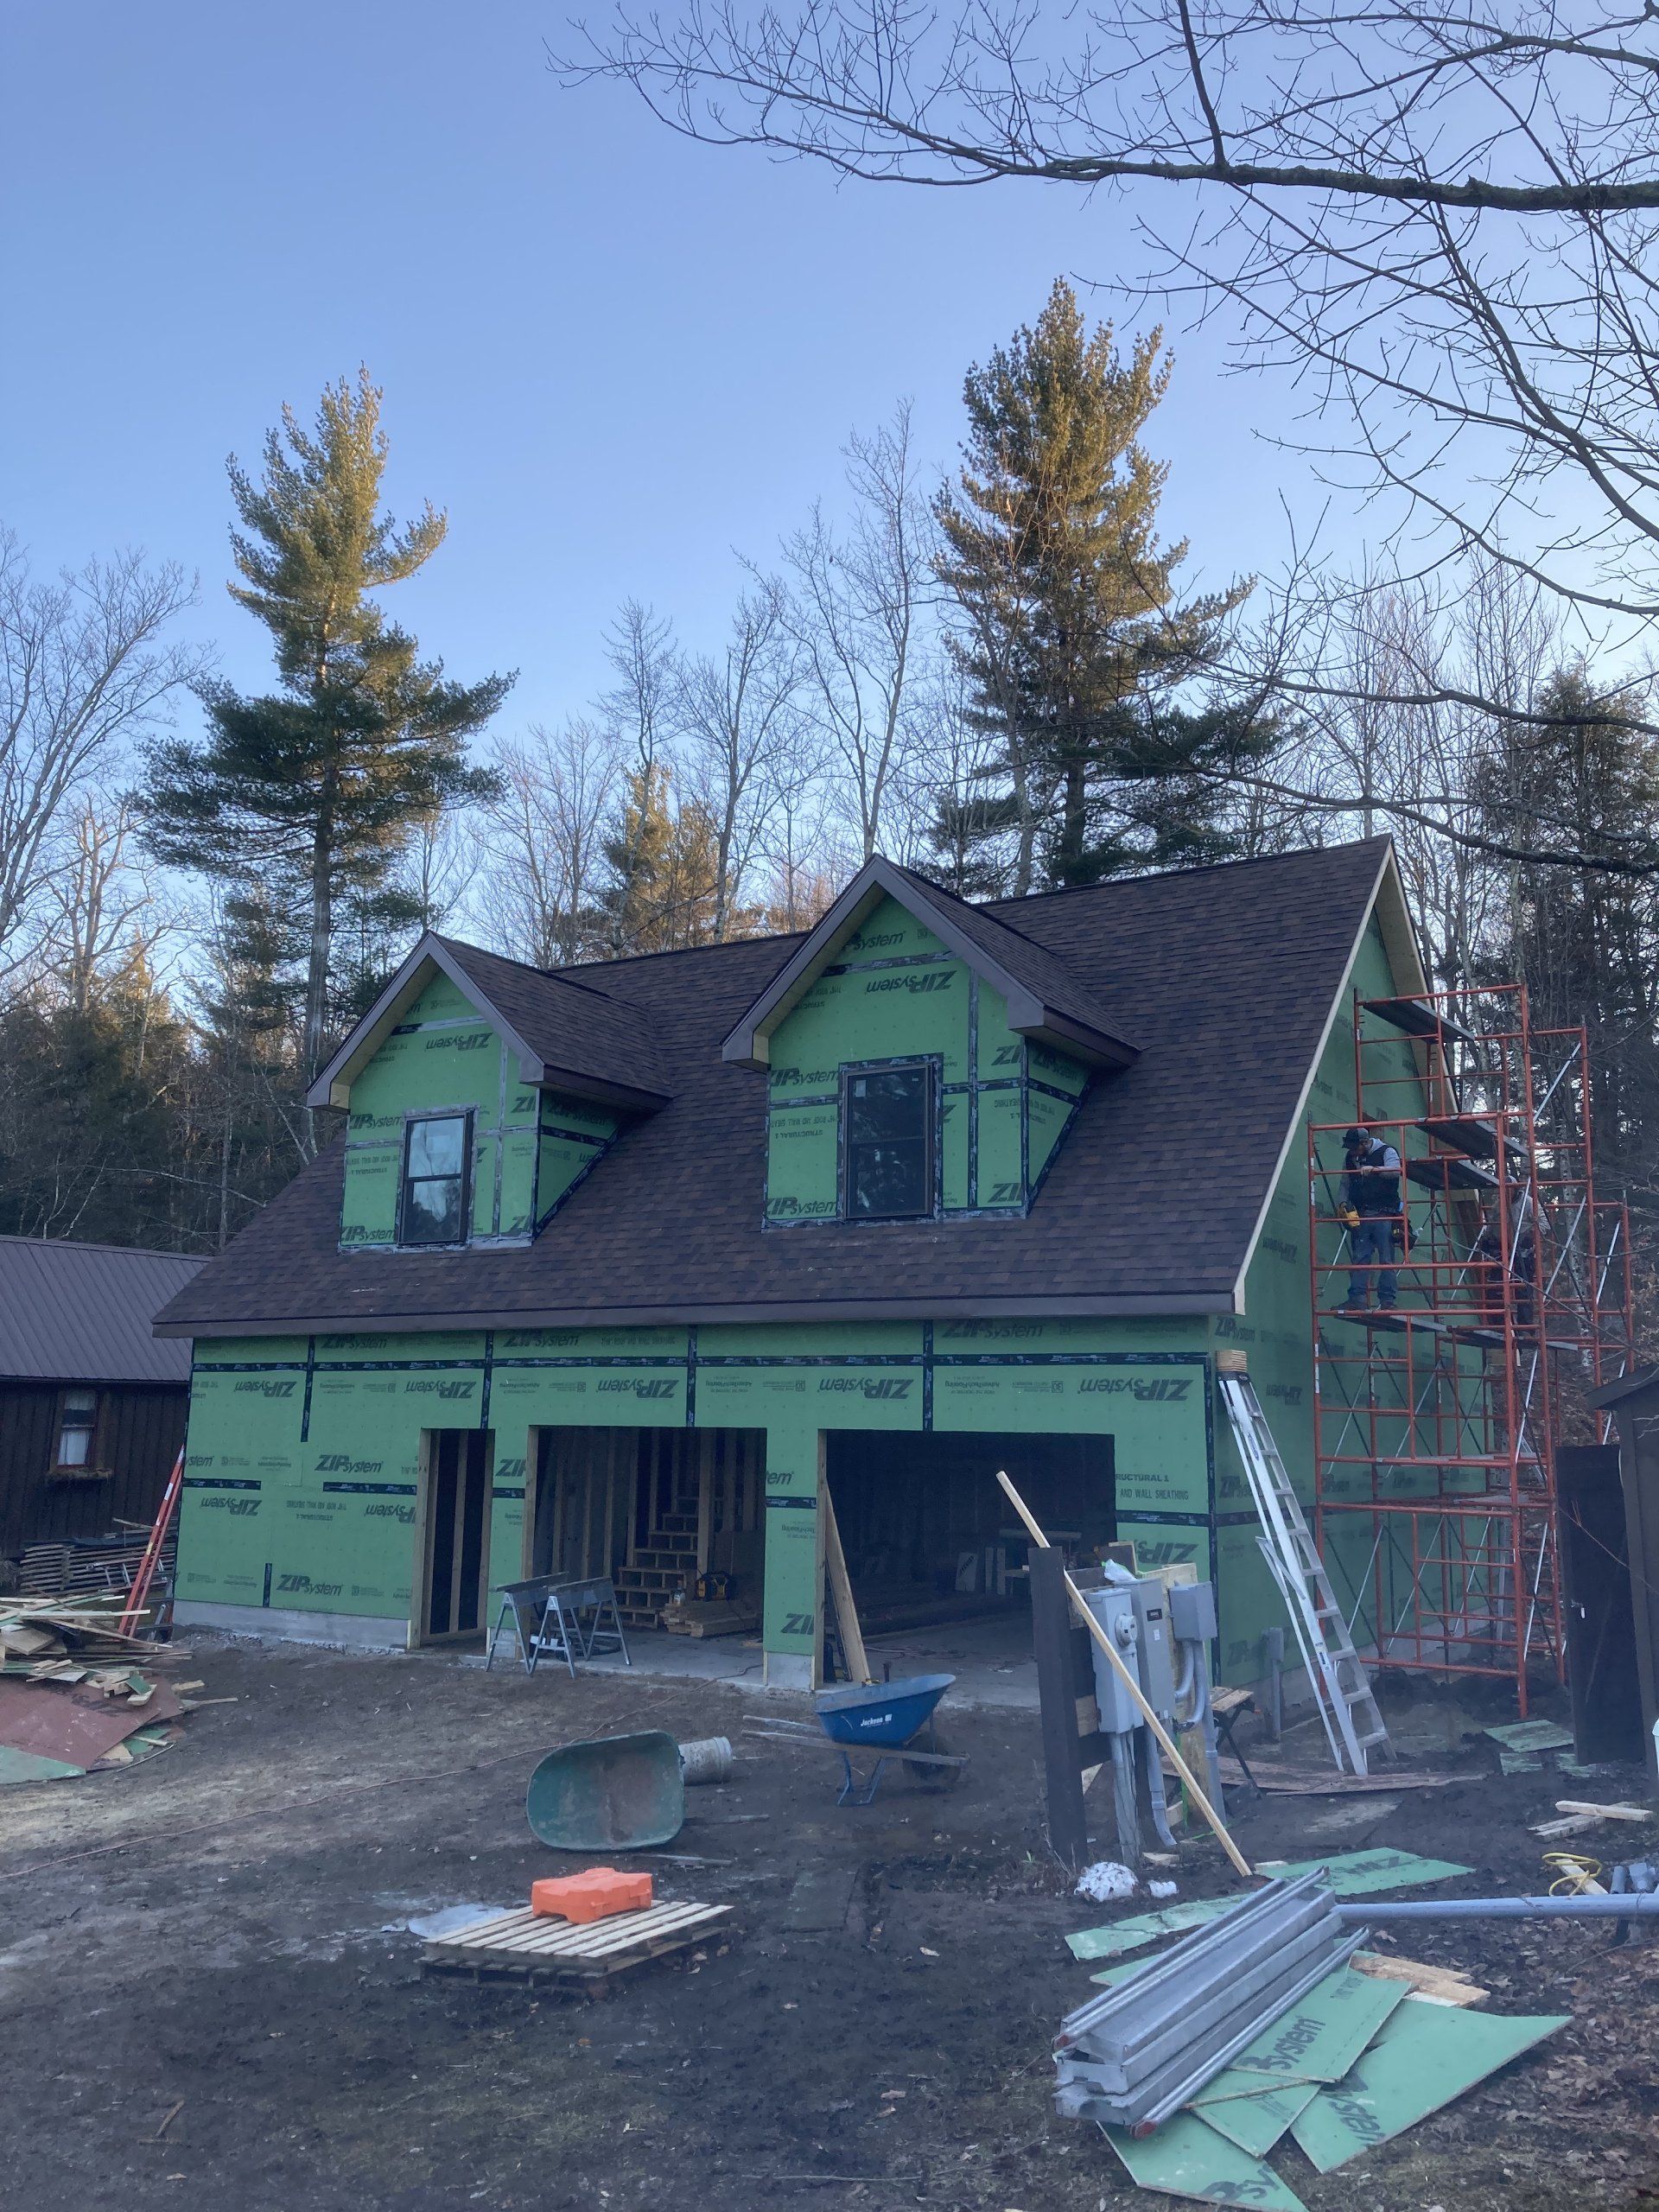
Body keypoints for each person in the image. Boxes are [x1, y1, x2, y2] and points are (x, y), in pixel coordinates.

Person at [1338, 1123, 1402, 1313]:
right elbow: (1345, 1183)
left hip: (1384, 1214)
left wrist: (1374, 1169)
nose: (1353, 1153)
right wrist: (1342, 1204)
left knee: (1386, 1259)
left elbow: (1395, 1171)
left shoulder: (1387, 1151)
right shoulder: (1350, 1158)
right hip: (1361, 1215)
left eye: (1355, 1148)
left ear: (1365, 1143)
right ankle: (1357, 1299)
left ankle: (1387, 1301)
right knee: (1360, 1258)